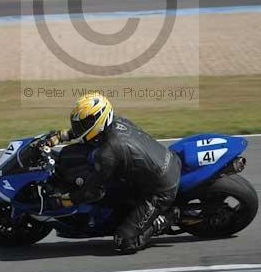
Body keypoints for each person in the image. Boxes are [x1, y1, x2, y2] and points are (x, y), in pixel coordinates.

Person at [40, 92, 181, 254]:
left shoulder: (108, 152)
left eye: (83, 124)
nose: (78, 128)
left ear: (98, 121)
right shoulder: (116, 122)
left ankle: (167, 218)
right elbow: (84, 133)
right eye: (77, 124)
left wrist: (67, 200)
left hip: (160, 189)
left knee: (124, 241)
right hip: (158, 164)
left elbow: (93, 193)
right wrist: (61, 136)